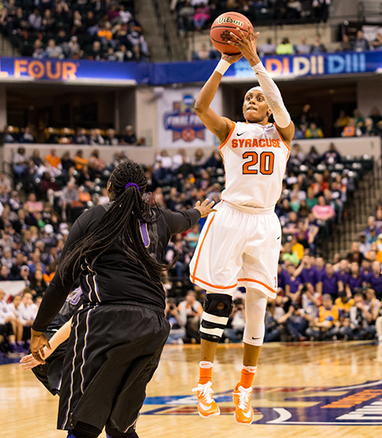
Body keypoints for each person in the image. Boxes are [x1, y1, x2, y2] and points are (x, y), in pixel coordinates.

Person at [28, 161, 214, 438]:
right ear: (143, 192)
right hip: (152, 327)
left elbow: (62, 279)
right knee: (121, 426)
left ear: (109, 189)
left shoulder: (92, 217)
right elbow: (183, 218)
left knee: (83, 424)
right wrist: (199, 212)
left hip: (103, 322)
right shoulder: (158, 218)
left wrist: (38, 329)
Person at [187, 27, 294, 424]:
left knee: (257, 309)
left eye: (258, 98)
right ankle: (204, 382)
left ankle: (245, 387)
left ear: (267, 107)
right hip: (231, 216)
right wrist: (224, 63)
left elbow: (280, 106)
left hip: (265, 223)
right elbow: (200, 108)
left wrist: (256, 64)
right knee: (219, 300)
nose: (252, 100)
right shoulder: (231, 130)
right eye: (247, 96)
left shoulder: (283, 134)